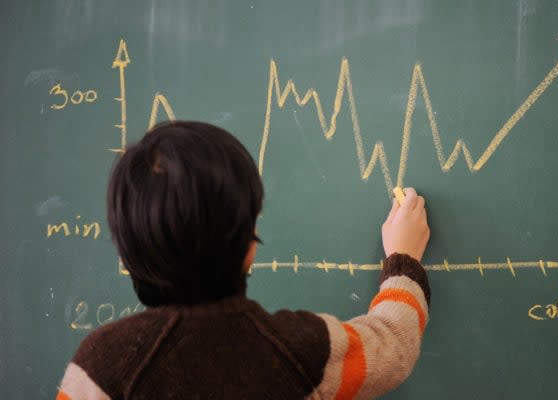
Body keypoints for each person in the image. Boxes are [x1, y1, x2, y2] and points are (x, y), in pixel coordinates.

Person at [56, 121, 431, 400]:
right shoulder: (300, 351)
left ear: (126, 251)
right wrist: (403, 259)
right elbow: (394, 342)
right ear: (249, 247)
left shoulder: (101, 367)